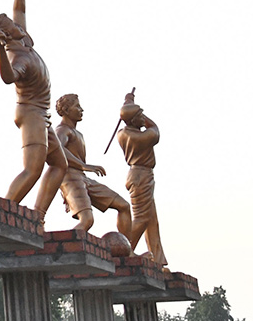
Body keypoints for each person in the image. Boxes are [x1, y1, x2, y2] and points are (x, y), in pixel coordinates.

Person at [0, 0, 68, 220]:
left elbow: (19, 9)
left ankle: (37, 215)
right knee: (32, 169)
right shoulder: (17, 56)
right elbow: (8, 78)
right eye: (10, 24)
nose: (15, 22)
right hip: (31, 113)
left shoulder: (23, 38)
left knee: (59, 164)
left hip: (42, 114)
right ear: (6, 33)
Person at [54, 94, 133, 239]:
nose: (81, 109)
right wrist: (83, 165)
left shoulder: (78, 133)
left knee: (124, 206)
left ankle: (128, 252)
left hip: (84, 178)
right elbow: (57, 148)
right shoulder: (62, 130)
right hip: (70, 179)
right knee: (87, 220)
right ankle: (63, 247)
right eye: (77, 106)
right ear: (65, 109)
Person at [116, 91, 168, 268]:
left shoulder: (123, 132)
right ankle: (123, 250)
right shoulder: (136, 137)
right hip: (141, 176)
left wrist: (128, 102)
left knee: (151, 219)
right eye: (139, 116)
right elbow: (154, 129)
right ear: (133, 120)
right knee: (142, 218)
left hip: (140, 175)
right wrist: (135, 111)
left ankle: (158, 259)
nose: (142, 119)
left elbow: (137, 120)